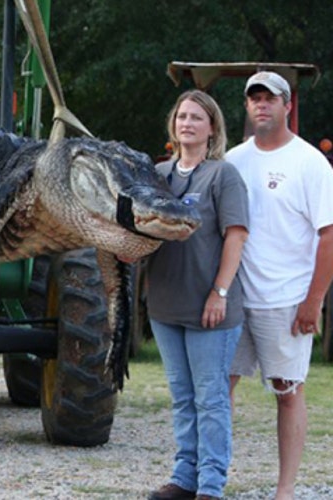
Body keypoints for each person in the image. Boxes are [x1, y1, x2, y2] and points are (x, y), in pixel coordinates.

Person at [227, 71, 333, 500]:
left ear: (287, 105)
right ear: (248, 107)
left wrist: (314, 300)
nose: (261, 105)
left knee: (287, 393)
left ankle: (285, 489)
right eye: (254, 99)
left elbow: (329, 235)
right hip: (235, 298)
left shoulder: (310, 163)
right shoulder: (233, 160)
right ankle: (211, 478)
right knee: (220, 388)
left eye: (270, 98)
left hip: (286, 300)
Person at [144, 90, 249, 500]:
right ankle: (183, 478)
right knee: (183, 398)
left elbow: (236, 236)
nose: (187, 123)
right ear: (173, 124)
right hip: (166, 305)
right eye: (182, 116)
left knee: (211, 399)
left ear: (212, 128)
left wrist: (219, 291)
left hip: (210, 307)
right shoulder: (157, 175)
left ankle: (210, 486)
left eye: (196, 118)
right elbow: (140, 229)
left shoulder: (222, 176)